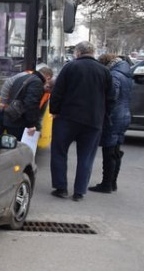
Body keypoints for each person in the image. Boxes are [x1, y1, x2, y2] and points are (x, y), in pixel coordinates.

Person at [49, 41, 114, 201]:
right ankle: (79, 192)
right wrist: (104, 116)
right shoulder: (105, 71)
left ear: (78, 52)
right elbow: (111, 98)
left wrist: (54, 111)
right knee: (86, 156)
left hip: (67, 118)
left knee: (59, 152)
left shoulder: (69, 67)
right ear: (93, 52)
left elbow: (58, 91)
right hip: (93, 121)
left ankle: (61, 188)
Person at [88, 53, 133, 193]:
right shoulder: (125, 73)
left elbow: (112, 95)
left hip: (114, 117)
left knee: (109, 151)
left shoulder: (114, 75)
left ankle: (106, 184)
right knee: (115, 150)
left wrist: (104, 112)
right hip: (125, 115)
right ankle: (112, 183)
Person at [0, 65, 54, 139]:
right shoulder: (36, 83)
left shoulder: (25, 77)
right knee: (15, 144)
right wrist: (31, 125)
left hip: (7, 112)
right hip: (16, 118)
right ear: (48, 77)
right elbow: (31, 104)